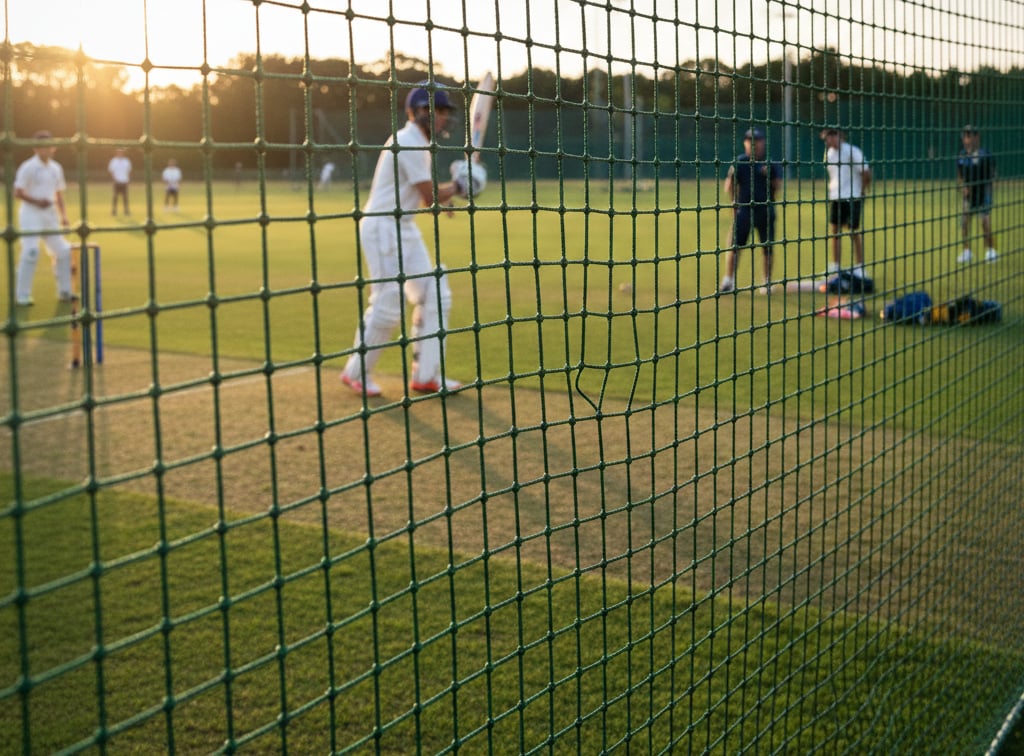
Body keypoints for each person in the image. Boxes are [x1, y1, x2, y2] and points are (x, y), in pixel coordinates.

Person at [338, 82, 466, 398]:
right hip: (382, 226)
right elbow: (429, 194)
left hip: (403, 227)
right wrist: (461, 186)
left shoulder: (419, 144)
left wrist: (448, 197)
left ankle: (426, 376)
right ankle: (355, 373)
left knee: (436, 292)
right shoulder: (406, 141)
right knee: (387, 300)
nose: (441, 118)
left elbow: (427, 201)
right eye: (435, 111)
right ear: (415, 112)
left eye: (444, 112)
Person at [719, 127, 783, 294]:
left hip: (765, 210)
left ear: (763, 142)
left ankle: (767, 282)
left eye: (757, 141)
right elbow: (730, 184)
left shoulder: (770, 163)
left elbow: (777, 186)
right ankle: (728, 280)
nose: (754, 144)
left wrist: (767, 175)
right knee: (735, 245)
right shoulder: (740, 162)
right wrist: (734, 203)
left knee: (767, 247)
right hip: (744, 210)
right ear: (745, 143)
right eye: (750, 141)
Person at [13, 130, 73, 306]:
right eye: (42, 147)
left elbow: (58, 194)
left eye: (49, 146)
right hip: (31, 214)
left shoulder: (56, 168)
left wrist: (64, 217)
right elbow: (18, 192)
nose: (46, 150)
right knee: (31, 252)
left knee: (64, 251)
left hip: (50, 214)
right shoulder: (28, 167)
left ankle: (65, 291)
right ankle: (22, 295)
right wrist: (37, 201)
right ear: (36, 149)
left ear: (53, 148)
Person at [820, 126, 871, 276]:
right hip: (836, 197)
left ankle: (860, 267)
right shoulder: (829, 154)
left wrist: (862, 191)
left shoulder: (851, 151)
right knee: (835, 232)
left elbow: (866, 171)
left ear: (838, 135)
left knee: (853, 231)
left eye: (831, 136)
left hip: (852, 197)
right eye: (827, 137)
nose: (828, 140)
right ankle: (836, 266)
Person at [956, 125, 997, 263]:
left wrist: (986, 187)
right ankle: (967, 251)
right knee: (965, 222)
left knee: (985, 221)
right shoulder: (962, 155)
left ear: (976, 137)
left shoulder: (985, 155)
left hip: (983, 192)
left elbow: (993, 174)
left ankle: (991, 250)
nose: (966, 140)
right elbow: (960, 176)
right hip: (969, 195)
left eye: (969, 136)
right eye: (965, 136)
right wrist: (963, 187)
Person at [108, 147, 132, 216]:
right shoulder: (113, 161)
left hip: (124, 181)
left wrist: (127, 179)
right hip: (116, 181)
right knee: (115, 197)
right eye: (119, 152)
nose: (120, 153)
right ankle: (114, 211)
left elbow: (129, 170)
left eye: (121, 152)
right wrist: (114, 178)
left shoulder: (126, 161)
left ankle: (126, 211)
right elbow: (111, 171)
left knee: (125, 197)